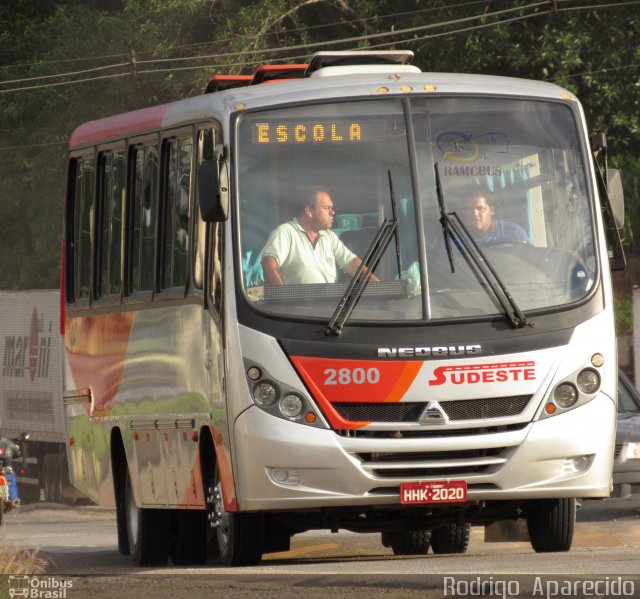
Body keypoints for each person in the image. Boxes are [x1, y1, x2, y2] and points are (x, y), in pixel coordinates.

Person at [261, 186, 379, 285]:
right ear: (309, 211)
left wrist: (382, 288)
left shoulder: (329, 237)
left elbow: (353, 264)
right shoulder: (285, 232)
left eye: (332, 208)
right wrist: (283, 299)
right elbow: (269, 264)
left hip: (329, 310)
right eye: (327, 208)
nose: (332, 212)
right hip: (296, 311)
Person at [463, 193, 529, 244]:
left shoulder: (513, 232)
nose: (475, 213)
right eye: (469, 209)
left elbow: (529, 258)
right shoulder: (460, 239)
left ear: (492, 210)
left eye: (480, 209)